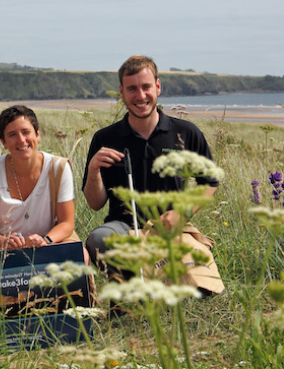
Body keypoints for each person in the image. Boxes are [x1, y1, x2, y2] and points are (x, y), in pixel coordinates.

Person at [83, 55, 219, 281]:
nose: (141, 95)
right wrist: (93, 171)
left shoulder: (186, 133)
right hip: (124, 228)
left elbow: (210, 183)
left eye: (146, 87)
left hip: (170, 230)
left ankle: (158, 277)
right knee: (98, 240)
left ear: (157, 86)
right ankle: (134, 286)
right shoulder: (105, 138)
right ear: (122, 92)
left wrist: (182, 213)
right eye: (132, 89)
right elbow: (95, 204)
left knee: (199, 288)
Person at [0, 105, 89, 264]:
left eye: (26, 132)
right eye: (12, 135)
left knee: (80, 255)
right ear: (3, 142)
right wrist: (3, 241)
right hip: (1, 247)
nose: (21, 140)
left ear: (37, 135)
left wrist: (46, 240)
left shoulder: (59, 168)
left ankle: (74, 290)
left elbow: (67, 223)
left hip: (49, 243)